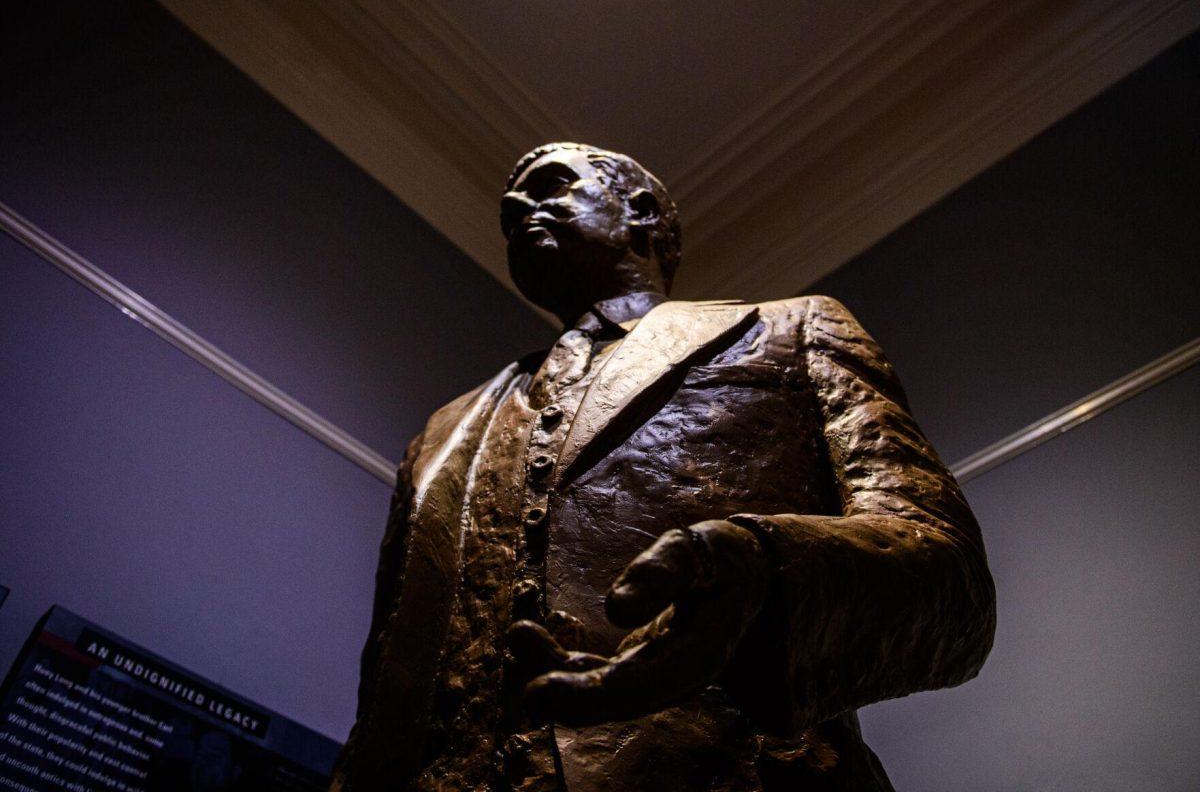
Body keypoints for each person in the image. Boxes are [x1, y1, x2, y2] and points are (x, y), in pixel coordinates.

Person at [331, 143, 996, 792]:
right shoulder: (440, 437)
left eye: (551, 185)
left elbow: (949, 577)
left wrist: (765, 569)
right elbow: (379, 703)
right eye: (510, 212)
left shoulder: (795, 330)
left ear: (641, 209)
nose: (516, 207)